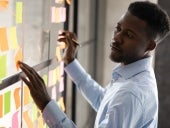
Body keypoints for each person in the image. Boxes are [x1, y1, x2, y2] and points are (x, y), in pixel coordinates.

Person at [18, 1, 170, 128]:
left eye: (129, 35)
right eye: (118, 28)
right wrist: (70, 62)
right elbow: (103, 101)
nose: (117, 37)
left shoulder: (131, 93)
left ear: (149, 47)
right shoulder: (132, 76)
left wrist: (45, 103)